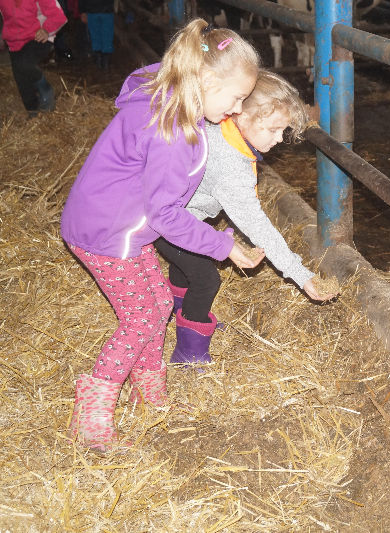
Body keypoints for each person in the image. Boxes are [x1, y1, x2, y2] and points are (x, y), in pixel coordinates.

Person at [60, 20, 262, 453]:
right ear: (207, 82)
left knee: (158, 305)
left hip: (122, 225)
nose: (238, 109)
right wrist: (223, 246)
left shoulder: (172, 94)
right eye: (236, 97)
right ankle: (92, 410)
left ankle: (149, 392)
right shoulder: (174, 132)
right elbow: (166, 215)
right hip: (109, 234)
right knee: (141, 319)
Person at [156, 69, 336, 368]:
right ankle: (189, 353)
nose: (279, 139)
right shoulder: (231, 168)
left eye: (283, 131)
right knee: (206, 280)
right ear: (242, 115)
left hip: (170, 214)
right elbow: (257, 226)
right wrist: (301, 275)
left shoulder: (217, 125)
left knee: (186, 264)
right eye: (273, 130)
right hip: (171, 222)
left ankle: (183, 313)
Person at [0, 0, 66, 117]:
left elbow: (58, 15)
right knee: (21, 81)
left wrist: (46, 29)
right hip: (14, 40)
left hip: (38, 36)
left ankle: (45, 88)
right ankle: (33, 114)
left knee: (24, 63)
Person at [78, 0, 112, 69]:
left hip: (92, 10)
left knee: (95, 35)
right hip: (106, 10)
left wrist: (82, 11)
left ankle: (98, 59)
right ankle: (105, 60)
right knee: (106, 35)